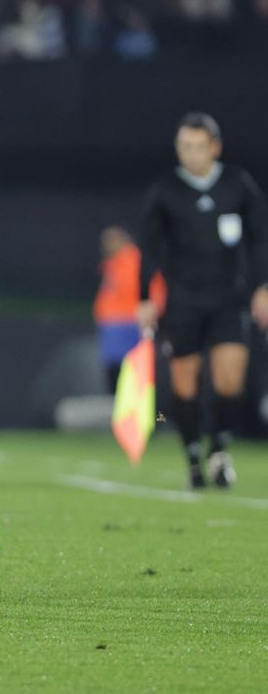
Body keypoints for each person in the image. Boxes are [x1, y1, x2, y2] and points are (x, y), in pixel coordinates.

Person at [137, 112, 268, 489]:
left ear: (215, 147)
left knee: (231, 383)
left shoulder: (237, 184)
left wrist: (262, 286)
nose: (189, 154)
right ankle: (193, 455)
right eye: (183, 146)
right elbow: (150, 248)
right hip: (183, 302)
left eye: (197, 146)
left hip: (229, 299)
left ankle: (220, 449)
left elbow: (259, 238)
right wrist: (145, 296)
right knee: (185, 387)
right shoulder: (166, 190)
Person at [94, 226, 165, 391]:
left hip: (129, 322)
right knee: (115, 368)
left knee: (133, 368)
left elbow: (154, 290)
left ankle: (139, 407)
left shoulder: (135, 259)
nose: (107, 244)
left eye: (111, 239)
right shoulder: (113, 262)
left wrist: (152, 313)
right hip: (114, 324)